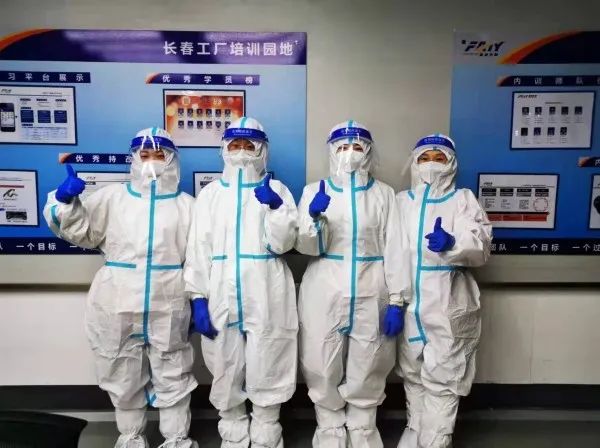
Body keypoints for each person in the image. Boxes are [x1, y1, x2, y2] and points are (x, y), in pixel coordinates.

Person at [43, 128, 198, 448]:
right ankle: (130, 438)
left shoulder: (188, 206)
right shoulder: (113, 198)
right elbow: (79, 231)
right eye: (144, 155)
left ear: (173, 160)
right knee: (121, 370)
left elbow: (199, 256)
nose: (151, 161)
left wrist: (199, 299)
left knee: (173, 370)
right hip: (117, 298)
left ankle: (176, 439)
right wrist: (64, 201)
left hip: (168, 297)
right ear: (134, 159)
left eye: (160, 155)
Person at [295, 120, 411, 448]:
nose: (350, 152)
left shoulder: (383, 194)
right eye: (343, 147)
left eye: (357, 146)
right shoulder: (315, 191)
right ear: (332, 152)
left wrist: (398, 300)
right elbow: (306, 247)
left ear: (368, 153)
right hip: (324, 287)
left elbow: (396, 248)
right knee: (320, 358)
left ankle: (362, 428)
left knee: (370, 358)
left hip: (372, 286)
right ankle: (329, 427)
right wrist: (313, 219)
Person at [184, 117, 298, 448]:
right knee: (223, 359)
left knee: (270, 354)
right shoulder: (210, 195)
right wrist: (197, 297)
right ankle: (233, 428)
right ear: (224, 149)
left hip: (267, 287)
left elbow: (284, 244)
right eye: (235, 145)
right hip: (220, 288)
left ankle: (266, 429)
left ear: (263, 151)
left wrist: (275, 208)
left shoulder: (278, 190)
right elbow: (198, 249)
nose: (242, 152)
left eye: (250, 146)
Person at [396, 134, 492, 448]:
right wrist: (394, 301)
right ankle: (416, 427)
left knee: (445, 374)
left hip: (448, 299)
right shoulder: (401, 201)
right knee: (412, 371)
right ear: (414, 163)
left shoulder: (462, 199)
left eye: (439, 158)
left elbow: (481, 245)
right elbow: (391, 251)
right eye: (425, 158)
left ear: (451, 164)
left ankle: (436, 438)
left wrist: (453, 243)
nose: (431, 164)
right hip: (409, 302)